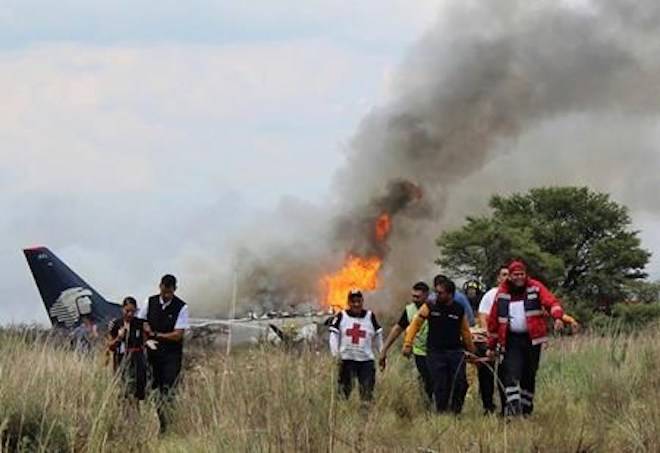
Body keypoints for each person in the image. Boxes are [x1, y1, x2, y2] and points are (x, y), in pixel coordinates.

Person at [487, 261, 564, 417]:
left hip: (532, 340)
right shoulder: (501, 293)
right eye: (516, 275)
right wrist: (491, 346)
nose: (519, 277)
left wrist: (557, 317)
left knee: (529, 375)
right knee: (511, 373)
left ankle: (526, 410)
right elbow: (494, 322)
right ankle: (512, 411)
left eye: (522, 274)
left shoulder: (535, 287)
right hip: (511, 340)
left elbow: (551, 301)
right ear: (510, 276)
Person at [403, 276, 475, 414]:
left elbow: (465, 331)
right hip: (435, 352)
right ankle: (441, 413)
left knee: (461, 383)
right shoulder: (430, 306)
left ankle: (455, 412)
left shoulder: (458, 309)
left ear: (450, 294)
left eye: (440, 293)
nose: (437, 295)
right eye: (436, 292)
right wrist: (407, 343)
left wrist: (472, 350)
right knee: (441, 384)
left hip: (455, 352)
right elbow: (415, 324)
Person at [137, 274, 189, 432]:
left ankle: (168, 424)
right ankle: (156, 423)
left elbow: (178, 334)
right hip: (152, 353)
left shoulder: (181, 307)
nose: (166, 295)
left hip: (171, 356)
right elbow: (141, 320)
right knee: (153, 388)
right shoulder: (150, 302)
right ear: (160, 287)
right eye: (164, 291)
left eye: (169, 292)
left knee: (168, 389)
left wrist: (157, 335)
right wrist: (146, 331)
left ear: (175, 290)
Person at [378, 282, 433, 403]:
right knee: (423, 381)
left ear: (426, 296)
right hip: (419, 352)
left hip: (435, 352)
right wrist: (384, 350)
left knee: (436, 381)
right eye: (413, 296)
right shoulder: (410, 310)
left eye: (417, 297)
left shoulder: (434, 308)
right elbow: (397, 329)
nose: (414, 299)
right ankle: (427, 407)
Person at [329, 289, 383, 402]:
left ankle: (366, 416)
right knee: (343, 393)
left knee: (367, 392)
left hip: (366, 361)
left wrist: (382, 353)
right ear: (349, 303)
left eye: (359, 301)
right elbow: (334, 335)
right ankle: (343, 415)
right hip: (347, 360)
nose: (356, 304)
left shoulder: (370, 316)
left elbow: (378, 335)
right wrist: (335, 355)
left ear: (362, 301)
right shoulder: (341, 316)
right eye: (353, 301)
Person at [475, 265, 510, 414]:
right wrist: (489, 339)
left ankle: (506, 407)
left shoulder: (517, 295)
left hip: (509, 342)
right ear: (498, 278)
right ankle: (488, 406)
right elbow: (482, 316)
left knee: (506, 375)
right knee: (486, 374)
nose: (507, 277)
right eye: (503, 274)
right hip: (489, 340)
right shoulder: (490, 295)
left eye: (509, 274)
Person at [107, 297, 147, 401]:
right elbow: (110, 346)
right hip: (121, 361)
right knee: (123, 392)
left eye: (133, 311)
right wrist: (119, 338)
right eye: (127, 311)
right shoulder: (116, 324)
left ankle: (135, 415)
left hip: (137, 362)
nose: (130, 314)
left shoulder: (140, 324)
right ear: (122, 309)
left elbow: (145, 339)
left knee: (136, 395)